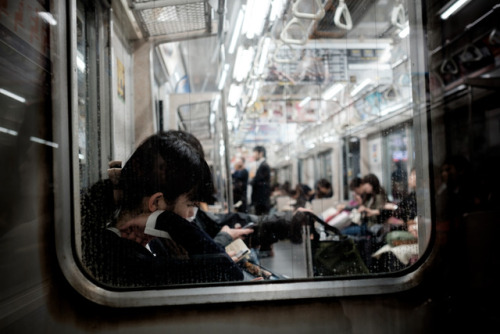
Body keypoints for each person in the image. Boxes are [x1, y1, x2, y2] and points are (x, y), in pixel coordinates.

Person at [82, 131, 245, 287]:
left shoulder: (150, 242)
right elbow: (230, 273)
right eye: (189, 205)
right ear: (156, 203)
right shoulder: (122, 258)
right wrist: (167, 220)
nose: (190, 214)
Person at [250, 146, 271, 215]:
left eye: (255, 153)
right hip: (261, 200)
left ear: (261, 153)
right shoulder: (262, 165)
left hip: (261, 201)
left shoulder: (264, 166)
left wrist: (252, 181)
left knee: (261, 220)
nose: (253, 155)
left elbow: (259, 181)